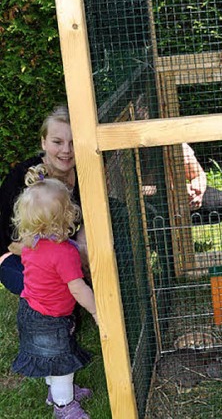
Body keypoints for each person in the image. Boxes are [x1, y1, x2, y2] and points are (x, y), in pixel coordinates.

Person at [11, 175, 97, 419]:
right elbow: (78, 288)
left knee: (51, 358)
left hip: (30, 311)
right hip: (50, 318)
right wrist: (95, 311)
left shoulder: (31, 244)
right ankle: (63, 407)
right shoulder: (64, 253)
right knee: (61, 364)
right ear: (67, 216)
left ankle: (57, 393)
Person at [0, 105, 87, 295]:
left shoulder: (85, 172)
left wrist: (82, 244)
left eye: (73, 142)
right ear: (43, 143)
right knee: (49, 287)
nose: (66, 150)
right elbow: (13, 242)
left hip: (61, 252)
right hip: (20, 253)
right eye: (57, 142)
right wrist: (66, 257)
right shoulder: (22, 178)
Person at [142, 143, 222, 226]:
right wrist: (172, 190)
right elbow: (135, 192)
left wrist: (197, 192)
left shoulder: (174, 143)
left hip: (175, 201)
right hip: (147, 203)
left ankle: (174, 225)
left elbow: (198, 175)